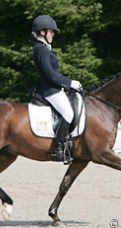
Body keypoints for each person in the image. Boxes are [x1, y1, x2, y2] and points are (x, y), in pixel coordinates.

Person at [31, 15, 82, 162]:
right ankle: (58, 149)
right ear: (42, 32)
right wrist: (69, 83)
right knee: (68, 113)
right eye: (51, 31)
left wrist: (67, 84)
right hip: (49, 89)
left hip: (54, 87)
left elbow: (55, 73)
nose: (53, 34)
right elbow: (50, 74)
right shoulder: (40, 49)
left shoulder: (45, 48)